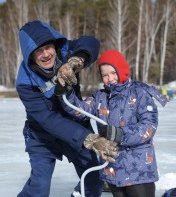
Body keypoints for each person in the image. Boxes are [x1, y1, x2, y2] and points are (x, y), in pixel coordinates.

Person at [15, 20, 119, 197]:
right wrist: (89, 138)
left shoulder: (65, 52)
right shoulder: (25, 82)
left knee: (93, 181)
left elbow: (91, 42)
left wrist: (76, 61)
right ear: (30, 55)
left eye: (48, 47)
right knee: (39, 186)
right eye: (38, 51)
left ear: (55, 45)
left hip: (76, 124)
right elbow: (48, 119)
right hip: (43, 136)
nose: (46, 54)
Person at [60, 49, 168, 197]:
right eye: (105, 75)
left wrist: (119, 134)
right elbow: (79, 111)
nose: (110, 78)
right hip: (113, 171)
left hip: (139, 172)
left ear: (122, 70)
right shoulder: (100, 97)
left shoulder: (139, 94)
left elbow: (148, 127)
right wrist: (66, 91)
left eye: (113, 72)